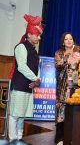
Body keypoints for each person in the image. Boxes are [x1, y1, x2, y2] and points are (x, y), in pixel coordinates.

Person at [8, 14, 43, 142]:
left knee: (22, 116)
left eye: (39, 35)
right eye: (37, 35)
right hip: (19, 86)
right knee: (15, 115)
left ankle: (19, 138)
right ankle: (12, 140)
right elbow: (21, 67)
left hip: (29, 87)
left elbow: (37, 68)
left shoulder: (34, 51)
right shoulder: (21, 47)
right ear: (29, 34)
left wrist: (36, 80)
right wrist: (35, 78)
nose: (39, 38)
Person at [54, 32, 80, 145]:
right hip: (62, 86)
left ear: (73, 41)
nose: (69, 41)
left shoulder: (78, 52)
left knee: (72, 111)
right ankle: (59, 138)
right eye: (66, 39)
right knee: (61, 111)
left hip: (74, 86)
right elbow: (58, 65)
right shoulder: (59, 53)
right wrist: (67, 57)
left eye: (71, 39)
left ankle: (71, 137)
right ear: (63, 41)